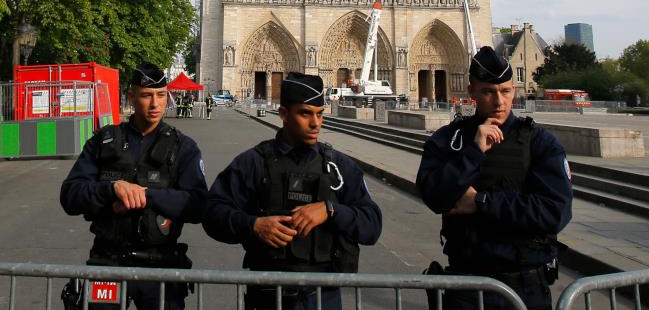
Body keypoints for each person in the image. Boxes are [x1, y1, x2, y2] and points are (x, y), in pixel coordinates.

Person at [203, 72, 382, 310]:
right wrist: (253, 225)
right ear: (284, 114)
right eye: (305, 113)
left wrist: (331, 210)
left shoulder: (339, 168)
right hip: (268, 297)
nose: (315, 123)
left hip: (323, 298)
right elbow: (212, 213)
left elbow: (372, 225)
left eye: (320, 114)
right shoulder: (254, 163)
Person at [416, 46, 572, 310]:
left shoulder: (539, 142)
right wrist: (473, 152)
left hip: (525, 286)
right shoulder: (450, 140)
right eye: (488, 92)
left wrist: (482, 202)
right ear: (471, 92)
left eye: (506, 91)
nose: (499, 102)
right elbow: (434, 196)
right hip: (467, 284)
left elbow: (556, 212)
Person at [60, 62, 209, 310]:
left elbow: (198, 205)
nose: (155, 104)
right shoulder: (104, 141)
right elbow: (70, 195)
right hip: (108, 262)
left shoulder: (183, 147)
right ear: (131, 97)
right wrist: (111, 189)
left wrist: (147, 196)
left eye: (161, 95)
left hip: (160, 265)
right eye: (147, 96)